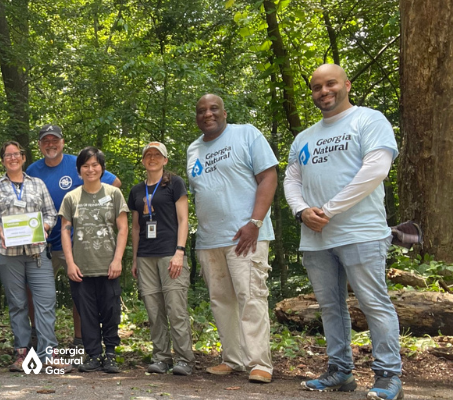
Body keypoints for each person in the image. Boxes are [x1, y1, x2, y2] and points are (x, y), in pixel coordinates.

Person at [285, 64, 402, 400]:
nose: (323, 91)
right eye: (317, 87)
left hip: (361, 232)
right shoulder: (303, 137)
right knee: (330, 307)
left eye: (330, 84)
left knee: (373, 303)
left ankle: (388, 376)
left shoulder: (369, 119)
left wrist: (329, 209)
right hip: (316, 237)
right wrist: (301, 210)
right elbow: (292, 179)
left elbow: (377, 167)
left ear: (346, 84)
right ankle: (340, 372)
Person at [186, 94, 278, 383]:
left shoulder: (246, 134)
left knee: (250, 297)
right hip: (210, 239)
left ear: (224, 112)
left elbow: (269, 177)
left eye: (213, 109)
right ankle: (233, 358)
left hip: (245, 235)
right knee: (221, 300)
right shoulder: (193, 149)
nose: (208, 114)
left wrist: (255, 222)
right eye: (202, 111)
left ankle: (259, 363)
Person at [0, 141, 71, 373]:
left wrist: (45, 227)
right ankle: (22, 354)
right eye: (7, 155)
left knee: (46, 301)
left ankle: (48, 354)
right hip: (6, 254)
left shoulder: (37, 184)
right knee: (18, 304)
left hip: (37, 252)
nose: (12, 158)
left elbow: (51, 213)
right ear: (2, 160)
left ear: (23, 157)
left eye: (16, 154)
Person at [26, 124, 121, 348]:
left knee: (80, 292)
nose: (51, 144)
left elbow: (114, 183)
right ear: (40, 145)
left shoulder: (77, 163)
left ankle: (80, 339)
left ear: (62, 142)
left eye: (54, 140)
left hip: (74, 243)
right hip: (40, 243)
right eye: (45, 141)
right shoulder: (32, 170)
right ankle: (36, 335)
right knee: (33, 291)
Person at [59, 147, 128, 374]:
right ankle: (93, 355)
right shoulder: (71, 197)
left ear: (102, 168)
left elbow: (123, 227)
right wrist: (70, 263)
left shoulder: (113, 194)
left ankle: (110, 355)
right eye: (85, 166)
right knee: (86, 313)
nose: (90, 169)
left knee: (110, 311)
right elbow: (65, 231)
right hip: (82, 267)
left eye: (95, 165)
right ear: (79, 170)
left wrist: (118, 260)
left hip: (108, 266)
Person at [128, 142, 195, 376]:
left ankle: (185, 358)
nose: (152, 158)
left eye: (157, 155)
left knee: (175, 308)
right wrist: (135, 259)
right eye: (148, 155)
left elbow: (184, 219)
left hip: (170, 253)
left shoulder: (174, 184)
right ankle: (161, 357)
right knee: (154, 310)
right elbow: (135, 227)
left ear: (165, 160)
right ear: (144, 160)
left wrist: (180, 251)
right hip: (146, 256)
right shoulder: (137, 190)